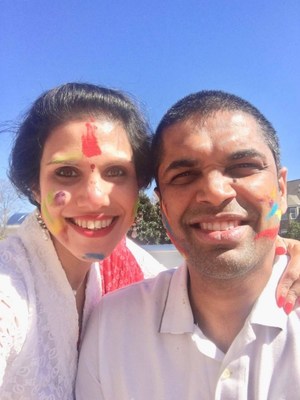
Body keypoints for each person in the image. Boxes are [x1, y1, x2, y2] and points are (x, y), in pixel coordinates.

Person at [76, 90, 300, 400]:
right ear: (162, 205)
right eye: (184, 175)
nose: (215, 191)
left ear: (279, 187)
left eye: (243, 166)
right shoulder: (111, 328)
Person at [0, 82, 165, 400]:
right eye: (66, 172)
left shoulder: (137, 266)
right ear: (35, 186)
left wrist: (278, 258)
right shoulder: (9, 286)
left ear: (139, 185)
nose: (95, 198)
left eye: (116, 172)